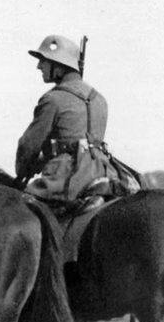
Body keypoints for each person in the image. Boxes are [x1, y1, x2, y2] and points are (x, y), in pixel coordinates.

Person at [15, 34, 115, 205]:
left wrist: (23, 171)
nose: (39, 66)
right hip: (105, 173)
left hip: (66, 178)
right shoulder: (100, 99)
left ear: (59, 67)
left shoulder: (53, 99)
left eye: (44, 60)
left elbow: (28, 146)